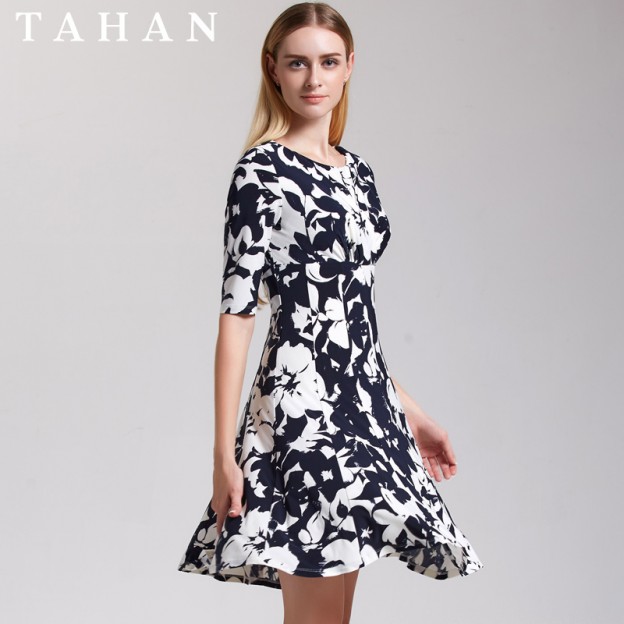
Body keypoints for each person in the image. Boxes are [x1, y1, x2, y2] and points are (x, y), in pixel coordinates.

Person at [177, 3, 484, 622]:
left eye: (327, 62)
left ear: (349, 67)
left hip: (366, 406)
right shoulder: (261, 172)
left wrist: (409, 410)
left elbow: (350, 319)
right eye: (297, 63)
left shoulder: (358, 174)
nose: (313, 78)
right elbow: (237, 316)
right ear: (273, 69)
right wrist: (222, 454)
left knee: (335, 616)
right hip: (300, 410)